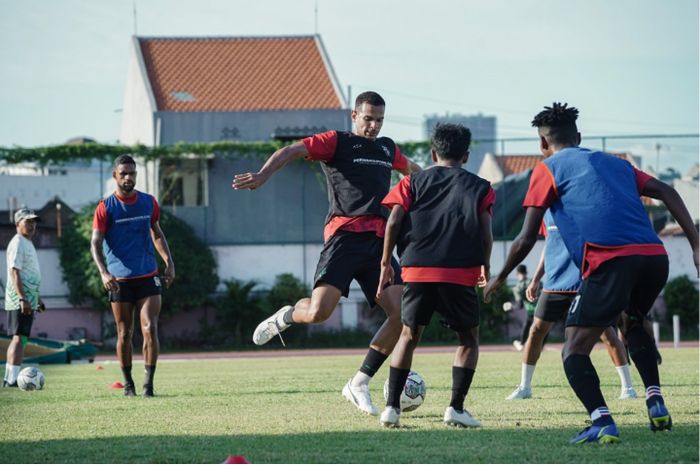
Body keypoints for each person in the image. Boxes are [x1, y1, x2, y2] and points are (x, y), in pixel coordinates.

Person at [484, 102, 699, 444]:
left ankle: (601, 421)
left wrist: (499, 276)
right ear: (580, 137)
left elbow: (526, 236)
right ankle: (655, 399)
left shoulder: (546, 168)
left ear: (543, 145)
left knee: (574, 349)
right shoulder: (619, 164)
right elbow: (668, 191)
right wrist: (697, 245)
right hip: (654, 257)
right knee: (632, 320)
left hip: (611, 262)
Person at [233, 91, 420, 416]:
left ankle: (360, 381)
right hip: (344, 238)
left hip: (378, 242)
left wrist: (442, 185)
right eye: (368, 119)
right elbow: (291, 150)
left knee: (403, 314)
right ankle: (286, 316)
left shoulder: (387, 148)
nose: (373, 125)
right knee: (319, 312)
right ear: (354, 116)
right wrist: (263, 175)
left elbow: (415, 172)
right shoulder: (337, 142)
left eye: (379, 120)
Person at [376, 123, 495, 428]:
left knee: (409, 335)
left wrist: (386, 263)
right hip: (459, 271)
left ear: (433, 153)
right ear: (466, 156)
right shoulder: (481, 186)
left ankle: (391, 409)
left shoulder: (412, 181)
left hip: (416, 268)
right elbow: (486, 234)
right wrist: (486, 266)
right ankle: (455, 408)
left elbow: (393, 222)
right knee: (468, 339)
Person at [506, 210, 637, 401]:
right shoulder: (547, 212)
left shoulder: (583, 205)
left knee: (607, 334)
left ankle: (628, 388)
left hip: (584, 282)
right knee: (536, 331)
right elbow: (549, 245)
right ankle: (524, 387)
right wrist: (535, 279)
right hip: (554, 284)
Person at [90, 155, 175, 397]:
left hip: (148, 275)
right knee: (125, 333)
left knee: (150, 328)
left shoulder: (149, 202)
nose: (129, 178)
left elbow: (156, 233)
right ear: (115, 176)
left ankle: (148, 385)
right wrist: (104, 272)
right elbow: (95, 243)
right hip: (120, 281)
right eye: (124, 173)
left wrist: (169, 263)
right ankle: (129, 384)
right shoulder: (105, 207)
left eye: (132, 173)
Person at [3, 208, 45, 387]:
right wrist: (22, 298)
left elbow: (29, 274)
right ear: (17, 223)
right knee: (18, 338)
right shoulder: (18, 242)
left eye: (34, 222)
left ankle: (9, 378)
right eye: (28, 221)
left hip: (29, 299)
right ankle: (11, 379)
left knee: (22, 338)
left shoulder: (27, 243)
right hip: (19, 300)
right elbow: (14, 271)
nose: (32, 225)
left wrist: (38, 299)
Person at [511, 264, 536, 351]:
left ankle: (522, 343)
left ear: (517, 274)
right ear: (526, 272)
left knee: (527, 327)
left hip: (531, 310)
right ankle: (539, 346)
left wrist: (511, 307)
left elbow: (519, 305)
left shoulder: (517, 287)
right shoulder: (533, 282)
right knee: (541, 328)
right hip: (542, 308)